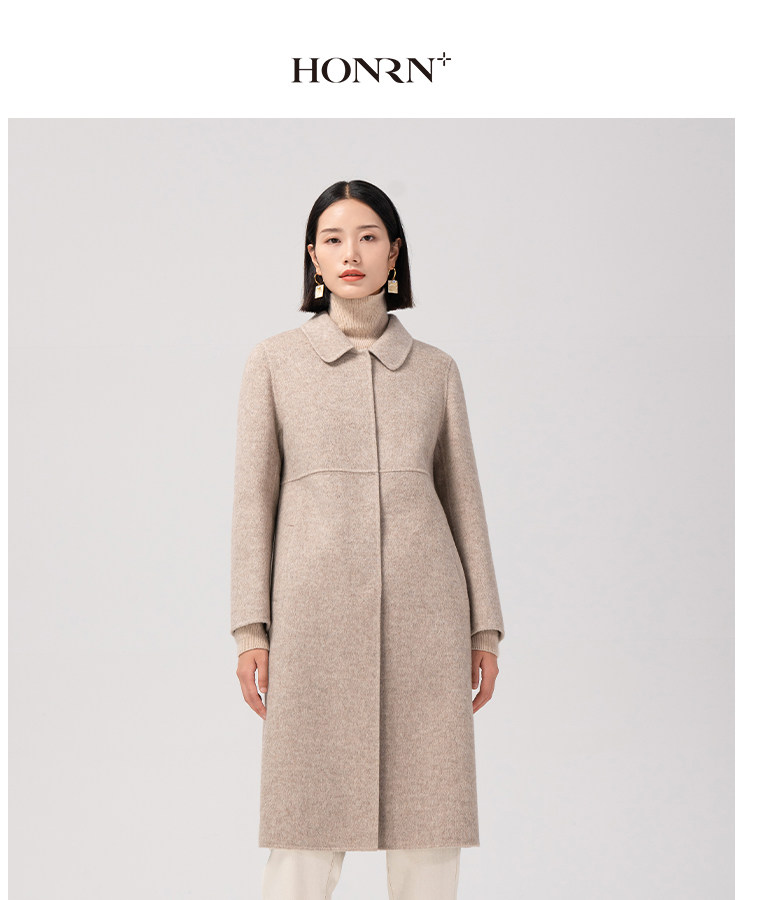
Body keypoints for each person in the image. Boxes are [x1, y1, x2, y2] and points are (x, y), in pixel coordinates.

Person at [231, 180, 505, 899]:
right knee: (303, 833)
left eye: (368, 236)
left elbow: (464, 501)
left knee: (429, 831)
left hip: (426, 618)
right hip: (313, 619)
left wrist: (484, 629)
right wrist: (250, 629)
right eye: (333, 238)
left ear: (394, 252)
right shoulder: (274, 362)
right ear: (313, 258)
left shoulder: (437, 370)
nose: (350, 252)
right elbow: (253, 501)